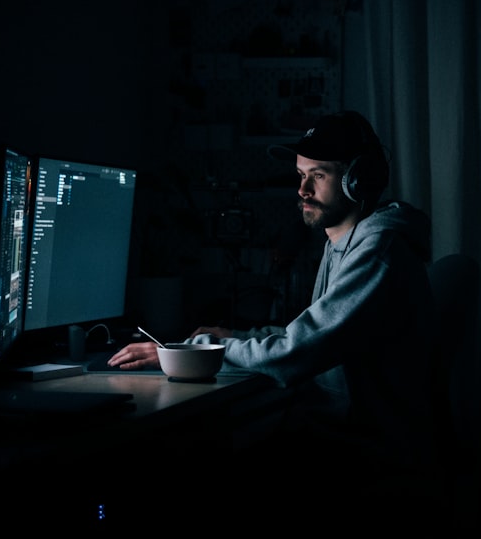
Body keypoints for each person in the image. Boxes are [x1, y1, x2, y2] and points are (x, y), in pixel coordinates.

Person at [107, 110, 440, 516]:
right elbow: (307, 334)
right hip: (343, 437)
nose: (301, 189)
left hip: (369, 452)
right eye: (300, 175)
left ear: (358, 180)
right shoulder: (345, 242)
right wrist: (231, 338)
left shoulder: (377, 251)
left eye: (317, 175)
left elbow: (295, 353)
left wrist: (193, 350)